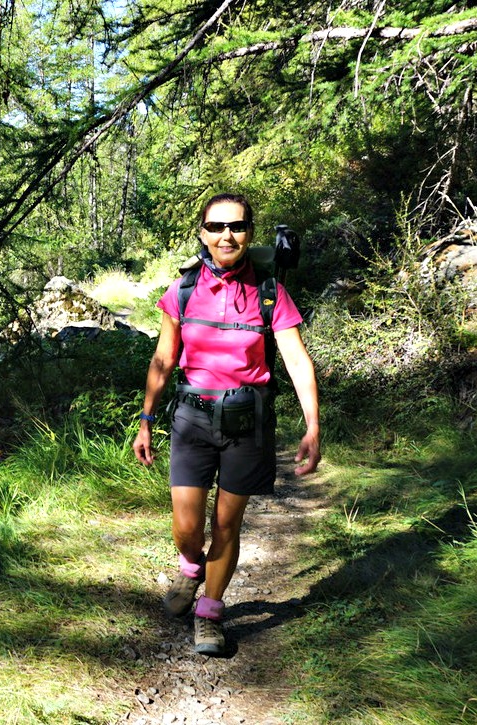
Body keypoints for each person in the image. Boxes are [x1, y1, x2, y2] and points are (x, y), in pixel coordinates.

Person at [131, 192, 321, 656]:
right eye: (216, 227)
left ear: (250, 233)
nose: (226, 235)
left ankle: (210, 613)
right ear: (202, 233)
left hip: (246, 422)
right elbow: (163, 358)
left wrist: (312, 426)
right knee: (187, 528)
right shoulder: (182, 290)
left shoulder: (271, 293)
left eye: (235, 226)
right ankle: (191, 568)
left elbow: (297, 361)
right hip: (192, 417)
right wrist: (146, 418)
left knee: (227, 524)